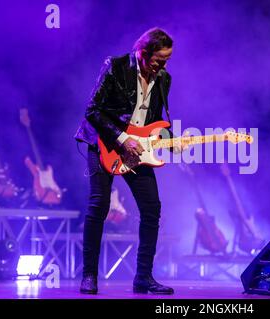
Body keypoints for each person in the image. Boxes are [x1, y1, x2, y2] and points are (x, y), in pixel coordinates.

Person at [74, 27, 186, 295]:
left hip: (137, 150)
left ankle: (143, 277)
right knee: (99, 204)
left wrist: (171, 141)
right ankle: (89, 275)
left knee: (151, 208)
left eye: (167, 59)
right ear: (143, 52)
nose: (164, 64)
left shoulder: (163, 78)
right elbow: (93, 110)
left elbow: (155, 121)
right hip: (104, 142)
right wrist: (123, 139)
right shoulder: (116, 66)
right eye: (160, 59)